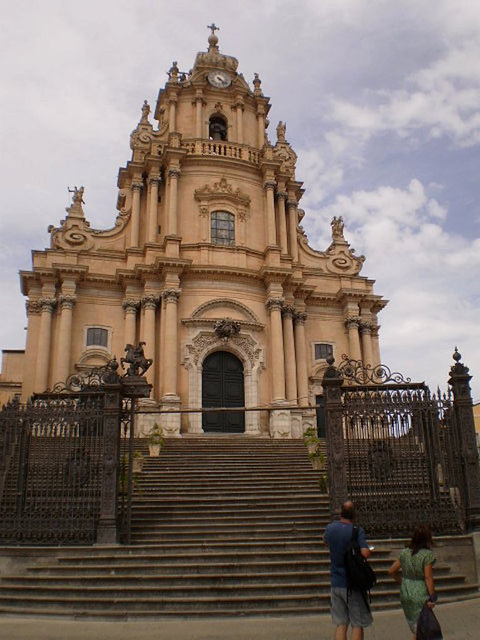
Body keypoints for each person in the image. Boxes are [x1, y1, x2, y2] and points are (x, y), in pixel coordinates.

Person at [324, 500, 373, 640]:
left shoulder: (330, 528)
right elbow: (364, 553)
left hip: (336, 581)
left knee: (341, 624)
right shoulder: (357, 530)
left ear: (340, 513)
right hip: (352, 583)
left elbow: (325, 540)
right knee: (357, 624)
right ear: (354, 515)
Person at [388, 524, 437, 639]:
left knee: (416, 628)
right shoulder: (427, 555)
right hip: (420, 593)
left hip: (406, 592)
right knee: (423, 628)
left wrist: (402, 581)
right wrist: (432, 596)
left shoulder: (405, 552)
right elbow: (428, 577)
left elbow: (391, 571)